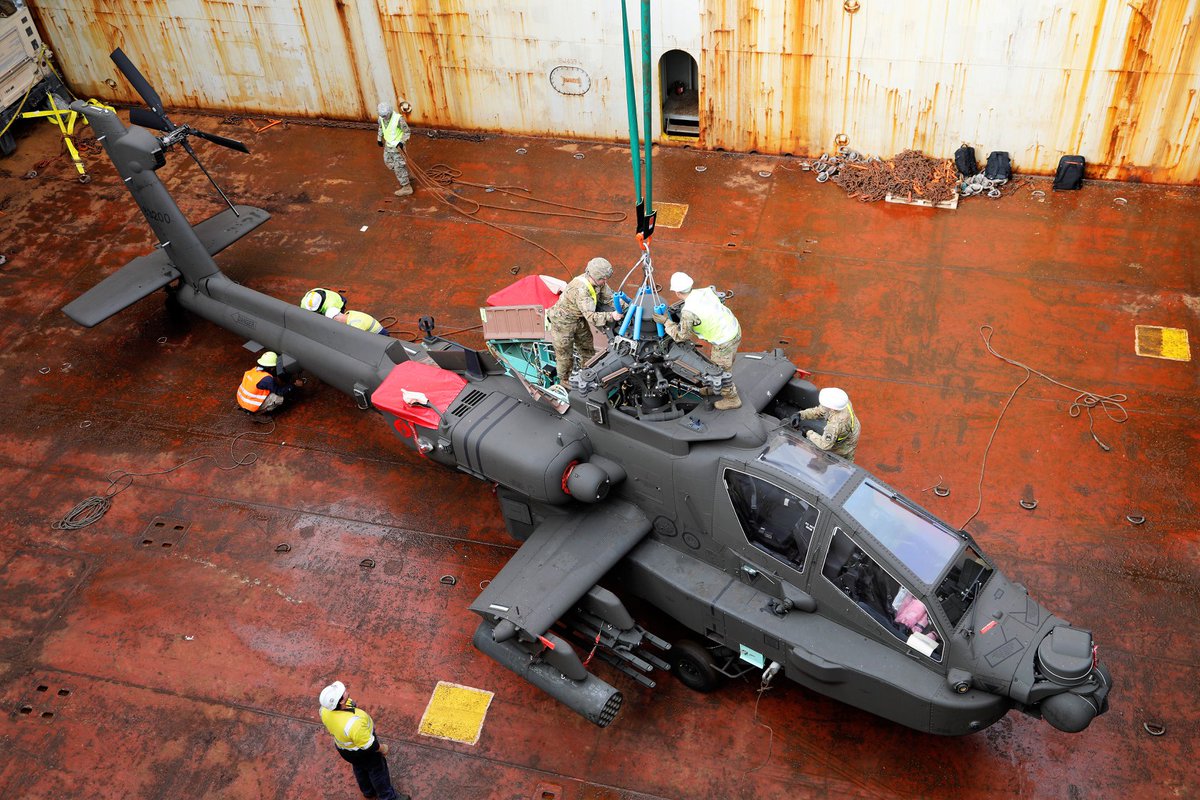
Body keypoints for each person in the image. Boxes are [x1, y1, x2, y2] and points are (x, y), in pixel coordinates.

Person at [654, 271, 743, 410]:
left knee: (720, 371)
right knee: (724, 362)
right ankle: (713, 389)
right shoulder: (704, 291)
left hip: (724, 340)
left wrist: (666, 322)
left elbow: (681, 336)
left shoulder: (688, 311)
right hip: (733, 328)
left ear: (677, 292)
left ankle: (732, 399)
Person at [319, 681, 407, 800]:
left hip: (345, 750)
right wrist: (382, 748)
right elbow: (369, 745)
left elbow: (346, 705)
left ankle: (368, 791)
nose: (346, 690)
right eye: (343, 692)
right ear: (340, 701)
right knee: (378, 771)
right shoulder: (354, 724)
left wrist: (349, 703)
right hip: (363, 752)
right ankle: (388, 797)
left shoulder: (324, 710)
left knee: (359, 768)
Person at [546, 257, 623, 389]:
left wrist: (623, 305)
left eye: (606, 279)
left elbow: (609, 298)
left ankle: (588, 373)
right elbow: (591, 317)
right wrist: (612, 316)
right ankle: (564, 380)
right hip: (562, 322)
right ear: (594, 276)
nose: (605, 282)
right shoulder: (581, 290)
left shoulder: (599, 282)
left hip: (579, 318)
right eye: (603, 279)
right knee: (564, 353)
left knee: (586, 347)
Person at [795, 387, 860, 460]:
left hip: (845, 444)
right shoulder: (843, 402)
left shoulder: (833, 426)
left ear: (832, 409)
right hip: (854, 429)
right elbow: (820, 411)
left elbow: (825, 445)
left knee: (844, 459)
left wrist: (808, 432)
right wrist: (801, 414)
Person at [235, 351, 301, 417]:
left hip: (242, 400)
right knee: (279, 398)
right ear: (272, 368)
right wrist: (294, 385)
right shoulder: (267, 379)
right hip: (251, 406)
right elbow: (280, 392)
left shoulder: (254, 370)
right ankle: (259, 412)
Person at [377, 100, 413, 197]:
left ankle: (406, 187)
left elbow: (407, 132)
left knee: (398, 167)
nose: (384, 118)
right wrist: (379, 138)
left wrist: (402, 142)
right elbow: (381, 127)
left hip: (398, 147)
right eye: (382, 116)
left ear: (389, 112)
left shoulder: (398, 119)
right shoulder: (381, 117)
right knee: (388, 162)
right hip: (388, 145)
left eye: (385, 116)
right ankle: (406, 174)